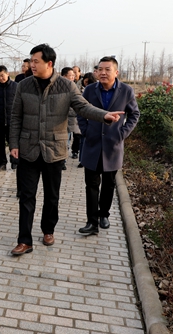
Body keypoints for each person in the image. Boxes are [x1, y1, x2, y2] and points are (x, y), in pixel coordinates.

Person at [8, 44, 124, 256]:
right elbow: (15, 116)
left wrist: (104, 115)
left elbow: (83, 107)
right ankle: (24, 240)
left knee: (52, 195)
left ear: (49, 63)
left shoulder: (66, 86)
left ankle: (48, 230)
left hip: (54, 149)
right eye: (31, 61)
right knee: (26, 196)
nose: (32, 65)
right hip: (28, 148)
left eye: (36, 61)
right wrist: (13, 144)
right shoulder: (23, 85)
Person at [78, 56, 140, 235]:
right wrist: (85, 131)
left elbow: (134, 114)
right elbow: (80, 111)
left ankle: (104, 214)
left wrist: (122, 133)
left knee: (108, 184)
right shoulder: (90, 90)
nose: (103, 73)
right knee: (91, 185)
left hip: (113, 145)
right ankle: (92, 222)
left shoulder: (126, 91)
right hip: (92, 144)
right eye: (100, 69)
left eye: (107, 69)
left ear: (116, 72)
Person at [0, 65, 18, 172]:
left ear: (7, 74)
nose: (0, 78)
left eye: (2, 75)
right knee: (0, 144)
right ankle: (2, 163)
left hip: (12, 121)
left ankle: (14, 162)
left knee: (13, 142)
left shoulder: (16, 87)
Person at [60, 67, 80, 170]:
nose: (73, 77)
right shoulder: (58, 88)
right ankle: (62, 161)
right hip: (61, 120)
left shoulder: (74, 88)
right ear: (64, 76)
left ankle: (64, 160)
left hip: (72, 119)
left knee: (68, 140)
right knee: (64, 141)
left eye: (73, 75)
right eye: (70, 75)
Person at [77, 72, 98, 167]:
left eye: (87, 82)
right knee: (83, 141)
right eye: (85, 82)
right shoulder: (82, 88)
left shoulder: (95, 89)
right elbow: (80, 109)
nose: (86, 84)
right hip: (86, 123)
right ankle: (82, 160)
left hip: (95, 121)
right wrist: (84, 128)